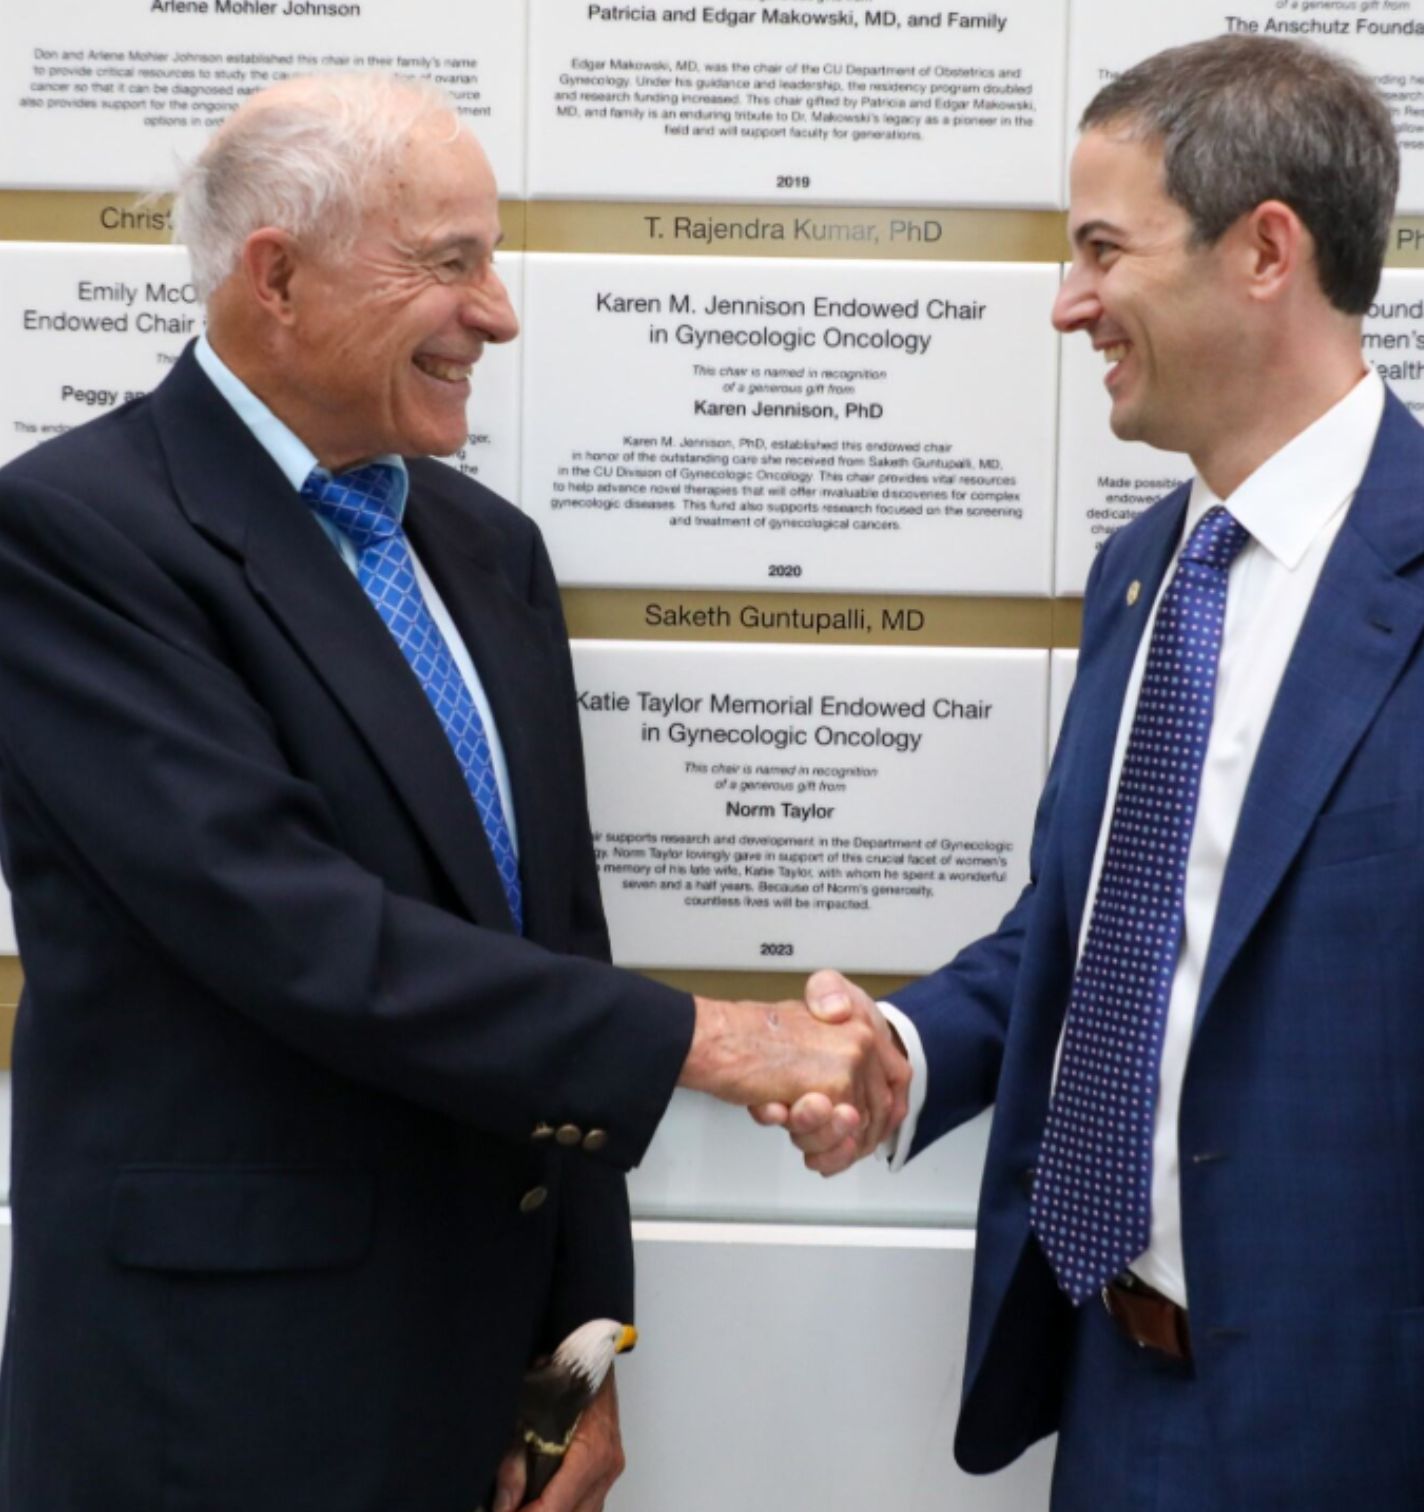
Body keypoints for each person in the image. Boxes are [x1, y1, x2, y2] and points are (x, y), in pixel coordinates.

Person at [0, 75, 907, 1512]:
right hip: (216, 1403)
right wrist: (716, 1041)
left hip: (487, 1405)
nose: (497, 313)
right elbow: (296, 932)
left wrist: (579, 1368)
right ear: (276, 277)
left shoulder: (488, 550)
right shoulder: (74, 536)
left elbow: (558, 950)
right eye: (450, 263)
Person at [769, 35, 1424, 1509]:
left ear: (1265, 251)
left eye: (1103, 250)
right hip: (1111, 1400)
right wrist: (902, 1058)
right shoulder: (1143, 575)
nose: (1067, 304)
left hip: (1376, 1440)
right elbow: (1101, 928)